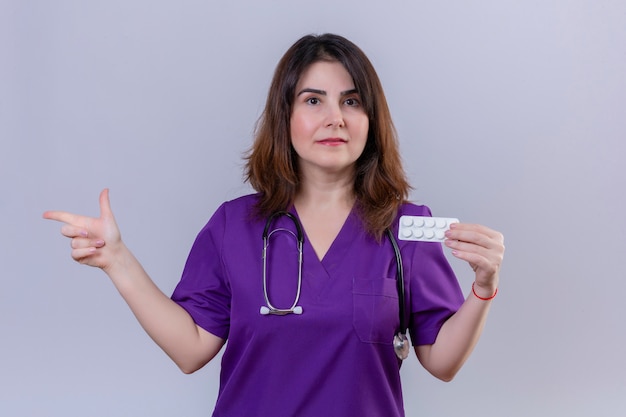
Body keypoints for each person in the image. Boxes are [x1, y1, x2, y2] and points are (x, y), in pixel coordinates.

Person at [44, 33, 505, 416]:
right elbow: (190, 349)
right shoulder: (233, 226)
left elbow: (441, 361)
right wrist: (117, 261)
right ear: (285, 116)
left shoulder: (406, 230)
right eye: (313, 100)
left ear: (371, 120)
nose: (335, 118)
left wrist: (484, 286)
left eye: (352, 101)